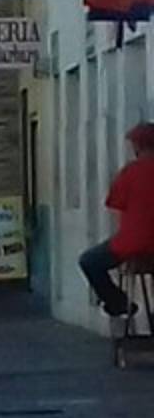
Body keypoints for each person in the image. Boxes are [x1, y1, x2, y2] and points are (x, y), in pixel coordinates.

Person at [79, 123, 154, 317]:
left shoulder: (130, 172)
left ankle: (119, 303)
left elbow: (115, 204)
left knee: (90, 261)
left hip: (134, 242)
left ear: (139, 146)